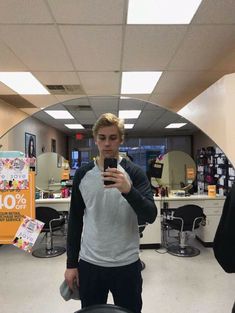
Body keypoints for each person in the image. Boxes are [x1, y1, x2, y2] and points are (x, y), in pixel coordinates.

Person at [64, 113, 157, 313]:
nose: (107, 144)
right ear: (95, 139)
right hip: (90, 263)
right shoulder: (83, 174)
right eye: (102, 138)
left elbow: (150, 215)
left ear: (121, 140)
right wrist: (71, 264)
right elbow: (75, 221)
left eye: (113, 138)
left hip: (127, 263)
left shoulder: (134, 173)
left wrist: (128, 190)